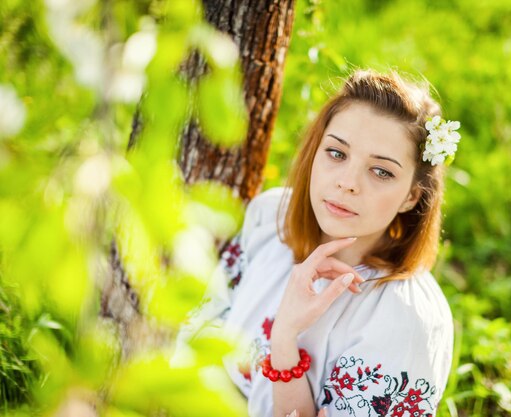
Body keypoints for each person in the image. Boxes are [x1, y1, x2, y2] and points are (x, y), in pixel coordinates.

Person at [181, 69, 459, 417]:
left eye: (381, 171)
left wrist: (285, 337)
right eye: (337, 153)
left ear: (411, 197)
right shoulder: (270, 222)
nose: (347, 183)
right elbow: (198, 334)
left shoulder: (405, 319)